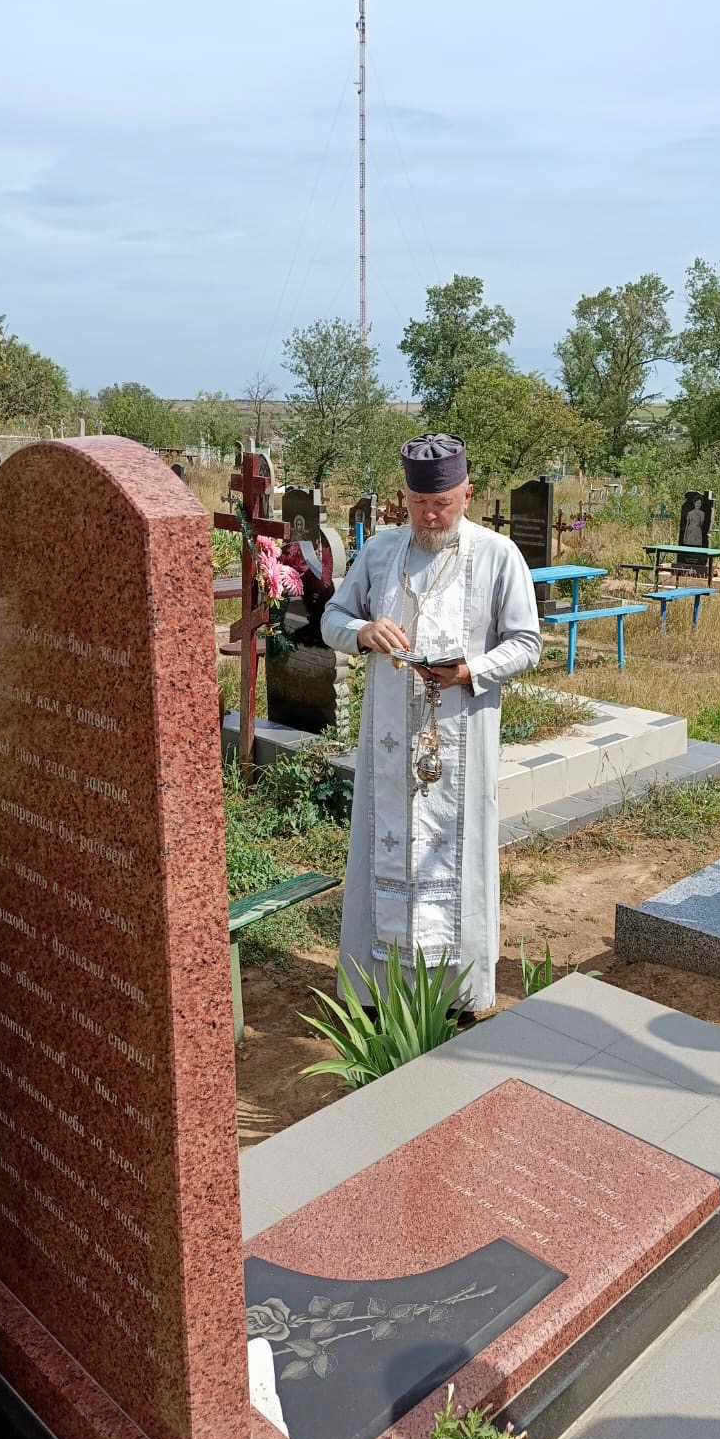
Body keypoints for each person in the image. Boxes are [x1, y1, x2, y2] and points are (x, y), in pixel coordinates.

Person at [321, 434, 541, 1012]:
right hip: (390, 746)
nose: (433, 515)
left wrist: (471, 669)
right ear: (406, 498)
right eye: (422, 504)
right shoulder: (380, 554)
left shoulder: (497, 555)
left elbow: (527, 643)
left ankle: (458, 997)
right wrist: (364, 633)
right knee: (383, 848)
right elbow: (332, 618)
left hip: (461, 738)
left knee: (457, 853)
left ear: (467, 493)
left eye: (443, 502)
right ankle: (377, 991)